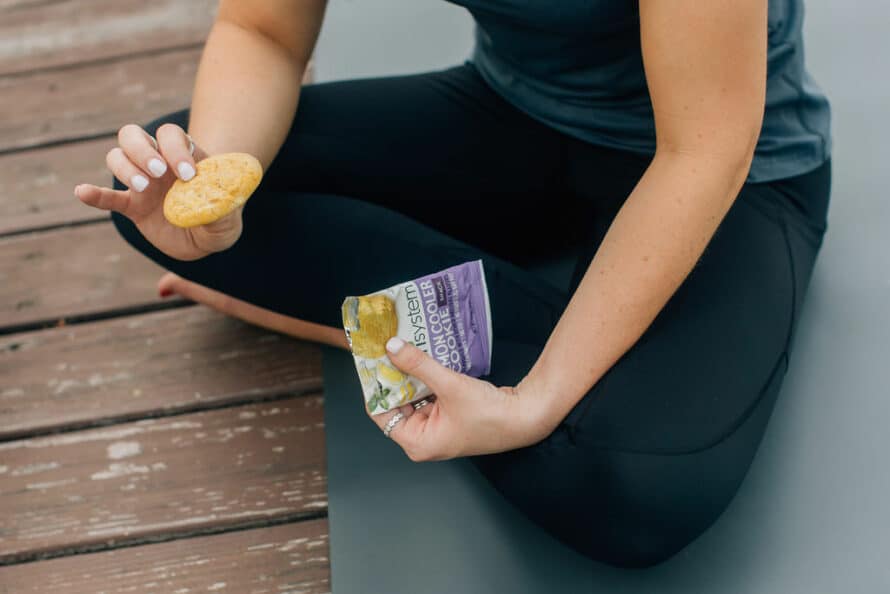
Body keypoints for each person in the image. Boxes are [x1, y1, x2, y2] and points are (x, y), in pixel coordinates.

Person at [73, 0, 831, 568]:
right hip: (516, 118)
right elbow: (260, 30)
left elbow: (702, 149)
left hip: (729, 169)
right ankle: (440, 336)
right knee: (152, 197)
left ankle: (363, 324)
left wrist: (535, 401)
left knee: (631, 494)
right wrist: (218, 203)